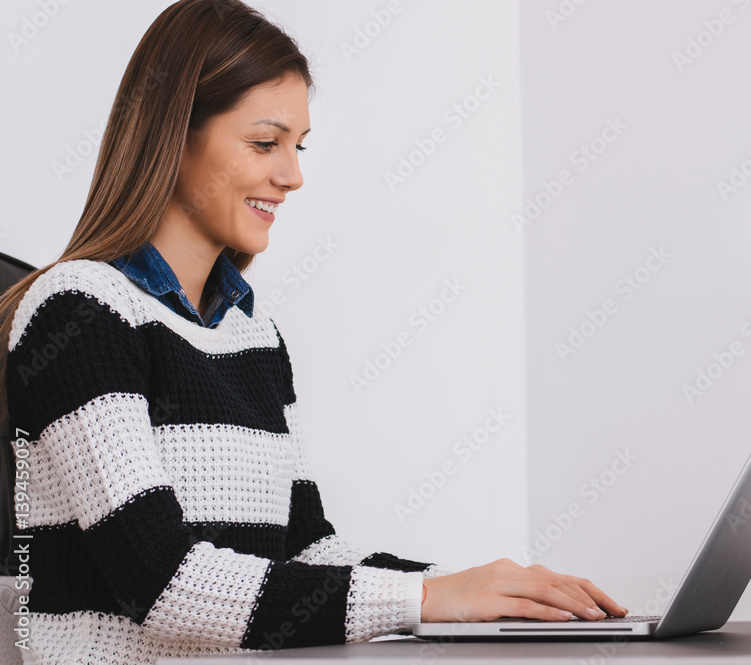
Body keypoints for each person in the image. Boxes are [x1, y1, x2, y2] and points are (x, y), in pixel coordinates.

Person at [0, 1, 627, 662]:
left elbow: (307, 552)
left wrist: (490, 597)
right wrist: (431, 600)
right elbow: (163, 583)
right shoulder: (79, 310)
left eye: (297, 147)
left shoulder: (252, 332)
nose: (292, 175)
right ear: (175, 134)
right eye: (265, 142)